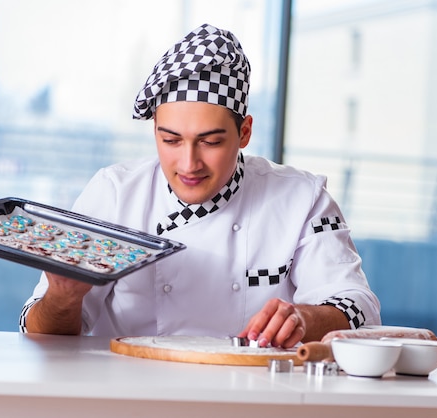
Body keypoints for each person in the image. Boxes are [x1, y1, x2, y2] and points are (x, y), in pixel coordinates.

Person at [20, 23, 381, 348]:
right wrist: (63, 298)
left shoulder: (302, 199)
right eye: (171, 140)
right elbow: (37, 334)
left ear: (244, 132)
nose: (189, 164)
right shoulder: (114, 193)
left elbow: (358, 305)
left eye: (210, 142)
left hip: (248, 394)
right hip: (128, 392)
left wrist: (305, 318)